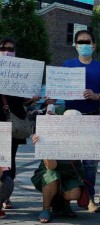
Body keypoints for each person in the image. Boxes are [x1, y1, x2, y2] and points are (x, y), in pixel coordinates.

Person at [61, 30, 100, 212]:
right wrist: (52, 98)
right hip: (70, 119)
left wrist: (96, 95)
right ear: (75, 45)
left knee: (90, 162)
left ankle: (89, 198)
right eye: (80, 42)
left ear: (94, 45)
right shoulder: (67, 65)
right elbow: (58, 89)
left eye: (87, 41)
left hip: (92, 116)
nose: (84, 45)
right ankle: (66, 199)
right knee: (71, 160)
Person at [0, 38, 40, 209]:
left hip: (13, 121)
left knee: (10, 160)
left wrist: (30, 99)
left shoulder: (18, 71)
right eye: (3, 48)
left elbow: (20, 101)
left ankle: (5, 195)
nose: (7, 51)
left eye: (11, 48)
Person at [31, 109, 85, 223]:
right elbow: (51, 166)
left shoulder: (83, 139)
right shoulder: (51, 135)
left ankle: (63, 204)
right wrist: (44, 146)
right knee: (52, 175)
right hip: (51, 171)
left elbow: (96, 158)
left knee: (74, 193)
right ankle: (45, 209)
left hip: (71, 173)